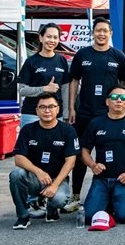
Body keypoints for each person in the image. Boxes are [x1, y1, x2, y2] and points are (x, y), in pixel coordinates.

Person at [66, 17, 125, 213]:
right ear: (92, 33)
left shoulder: (118, 56)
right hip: (84, 112)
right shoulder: (82, 55)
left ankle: (112, 193)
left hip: (108, 114)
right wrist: (71, 108)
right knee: (80, 154)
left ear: (110, 33)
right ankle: (75, 195)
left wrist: (121, 108)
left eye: (105, 31)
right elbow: (74, 81)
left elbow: (123, 85)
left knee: (110, 153)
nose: (101, 34)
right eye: (98, 30)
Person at [80, 85, 125, 225]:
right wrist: (92, 165)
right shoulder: (95, 123)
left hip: (124, 179)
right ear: (107, 101)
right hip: (101, 179)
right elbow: (84, 151)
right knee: (89, 217)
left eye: (123, 98)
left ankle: (114, 201)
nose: (119, 100)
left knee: (124, 217)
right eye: (114, 97)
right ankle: (109, 201)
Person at [9, 92, 79, 229]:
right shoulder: (28, 130)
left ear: (58, 109)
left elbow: (71, 161)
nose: (47, 110)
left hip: (57, 179)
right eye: (43, 107)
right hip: (35, 179)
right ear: (37, 110)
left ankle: (52, 209)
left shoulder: (68, 130)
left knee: (59, 199)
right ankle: (23, 216)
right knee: (16, 174)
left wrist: (54, 185)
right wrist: (38, 172)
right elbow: (18, 158)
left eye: (51, 106)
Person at [17, 22, 70, 128]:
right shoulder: (31, 61)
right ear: (41, 38)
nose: (52, 40)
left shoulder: (62, 60)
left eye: (55, 37)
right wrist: (44, 89)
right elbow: (22, 90)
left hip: (55, 115)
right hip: (32, 114)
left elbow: (65, 89)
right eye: (49, 37)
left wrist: (66, 113)